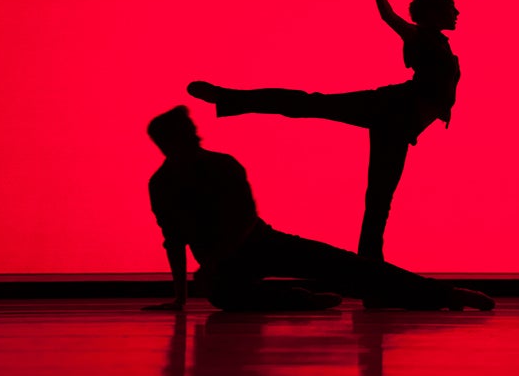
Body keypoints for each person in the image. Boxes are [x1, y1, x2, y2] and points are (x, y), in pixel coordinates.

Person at [187, 0, 473, 261]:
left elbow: (431, 6)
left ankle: (370, 268)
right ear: (434, 13)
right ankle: (228, 97)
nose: (457, 12)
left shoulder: (434, 38)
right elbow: (390, 18)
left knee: (379, 197)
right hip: (391, 109)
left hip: (399, 124)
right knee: (311, 105)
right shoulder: (419, 36)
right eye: (451, 7)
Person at [143, 105, 494, 312]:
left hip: (262, 243)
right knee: (222, 295)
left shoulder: (223, 165)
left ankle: (446, 294)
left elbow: (244, 221)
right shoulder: (161, 185)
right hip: (227, 266)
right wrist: (181, 296)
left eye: (193, 130)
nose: (196, 136)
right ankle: (300, 300)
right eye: (188, 132)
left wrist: (214, 264)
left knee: (351, 267)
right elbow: (173, 240)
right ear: (170, 143)